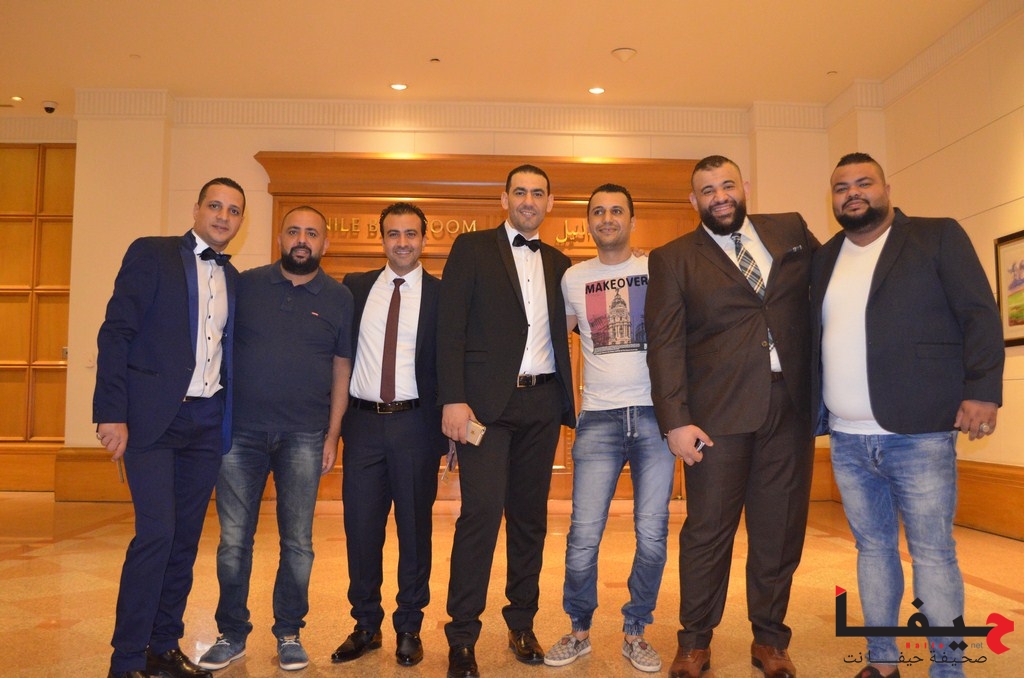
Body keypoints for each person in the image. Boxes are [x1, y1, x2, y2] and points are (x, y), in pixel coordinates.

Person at [811, 153, 1004, 678]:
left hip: (919, 433)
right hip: (847, 438)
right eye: (841, 187)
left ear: (887, 189)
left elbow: (980, 314)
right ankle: (882, 661)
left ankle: (947, 668)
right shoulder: (825, 258)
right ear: (833, 200)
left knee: (933, 554)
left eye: (864, 183)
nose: (853, 193)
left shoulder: (936, 236)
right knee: (873, 550)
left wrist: (983, 390)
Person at [645, 155, 819, 678]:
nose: (719, 196)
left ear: (744, 186)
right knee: (707, 533)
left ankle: (770, 640)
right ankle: (695, 642)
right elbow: (665, 345)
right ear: (693, 201)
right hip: (716, 417)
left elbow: (830, 287)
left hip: (788, 407)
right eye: (707, 190)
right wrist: (675, 420)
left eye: (727, 185)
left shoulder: (790, 230)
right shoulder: (674, 258)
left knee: (779, 531)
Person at [95, 178, 246, 678]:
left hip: (205, 423)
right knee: (156, 535)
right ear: (197, 209)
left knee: (183, 541)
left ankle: (163, 647)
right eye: (215, 205)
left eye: (234, 210)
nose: (223, 216)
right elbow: (116, 333)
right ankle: (126, 659)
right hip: (153, 421)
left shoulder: (233, 278)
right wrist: (111, 412)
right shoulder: (152, 253)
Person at [197, 205, 353, 672]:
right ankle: (231, 633)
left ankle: (289, 632)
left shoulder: (340, 297)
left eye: (312, 233)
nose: (302, 240)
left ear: (325, 243)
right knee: (233, 541)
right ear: (280, 239)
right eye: (293, 232)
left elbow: (341, 368)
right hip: (240, 435)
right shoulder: (245, 285)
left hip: (305, 435)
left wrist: (333, 434)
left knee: (298, 542)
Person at [437, 164, 576, 678]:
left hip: (542, 405)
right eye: (520, 192)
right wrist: (453, 399)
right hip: (484, 409)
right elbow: (449, 329)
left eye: (538, 193)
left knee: (529, 519)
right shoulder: (472, 249)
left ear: (550, 203)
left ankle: (522, 623)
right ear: (504, 199)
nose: (528, 200)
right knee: (480, 515)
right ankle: (462, 635)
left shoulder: (561, 264)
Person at [543, 184, 675, 673]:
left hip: (655, 417)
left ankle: (636, 631)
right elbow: (549, 339)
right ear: (589, 223)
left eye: (617, 210)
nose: (607, 218)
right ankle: (578, 630)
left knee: (653, 534)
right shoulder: (574, 278)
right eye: (598, 211)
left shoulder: (657, 268)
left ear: (632, 220)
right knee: (583, 535)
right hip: (597, 419)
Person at [330, 202, 446, 667]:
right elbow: (336, 355)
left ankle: (409, 627)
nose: (402, 242)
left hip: (416, 425)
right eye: (393, 234)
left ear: (424, 239)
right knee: (360, 528)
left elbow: (452, 362)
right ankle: (365, 624)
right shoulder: (355, 288)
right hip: (362, 425)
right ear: (382, 240)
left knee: (414, 530)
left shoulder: (441, 294)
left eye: (411, 234)